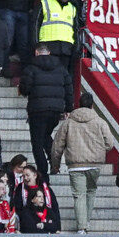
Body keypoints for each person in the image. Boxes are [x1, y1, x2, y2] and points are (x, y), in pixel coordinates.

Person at [50, 92, 114, 236]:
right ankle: (87, 222)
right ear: (92, 105)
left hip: (75, 164)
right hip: (95, 164)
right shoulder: (100, 122)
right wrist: (99, 150)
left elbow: (57, 145)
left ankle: (81, 229)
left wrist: (56, 164)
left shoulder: (68, 122)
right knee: (91, 191)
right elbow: (110, 143)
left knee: (79, 195)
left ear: (78, 104)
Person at [18, 44, 73, 178]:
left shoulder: (30, 68)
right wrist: (68, 108)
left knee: (37, 141)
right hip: (56, 110)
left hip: (37, 109)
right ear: (48, 53)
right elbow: (69, 88)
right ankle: (54, 162)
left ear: (37, 53)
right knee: (46, 135)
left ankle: (42, 171)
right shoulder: (61, 68)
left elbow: (25, 89)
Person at [34, 0, 77, 71]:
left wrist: (75, 46)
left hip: (66, 46)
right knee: (47, 73)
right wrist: (36, 43)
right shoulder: (45, 3)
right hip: (48, 44)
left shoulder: (72, 8)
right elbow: (35, 24)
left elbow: (76, 28)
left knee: (63, 73)